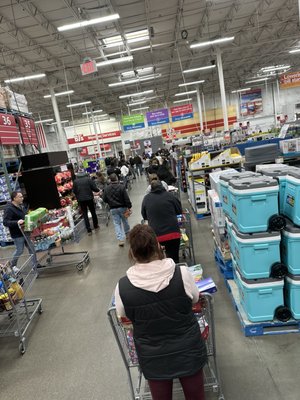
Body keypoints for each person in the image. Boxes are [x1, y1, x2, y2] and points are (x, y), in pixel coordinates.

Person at [115, 224, 207, 400]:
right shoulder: (182, 273)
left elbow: (122, 313)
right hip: (188, 350)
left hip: (153, 356)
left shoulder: (122, 286)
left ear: (133, 254)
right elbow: (195, 298)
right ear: (158, 246)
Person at [141, 180, 182, 263]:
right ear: (163, 187)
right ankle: (174, 270)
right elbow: (179, 210)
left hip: (156, 236)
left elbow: (144, 215)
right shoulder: (170, 196)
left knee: (158, 260)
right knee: (174, 259)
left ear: (151, 188)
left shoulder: (146, 199)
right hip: (173, 233)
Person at [3, 191, 38, 268]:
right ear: (14, 198)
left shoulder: (21, 206)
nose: (22, 198)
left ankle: (35, 265)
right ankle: (12, 266)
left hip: (25, 231)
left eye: (22, 196)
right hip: (17, 234)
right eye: (20, 197)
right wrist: (17, 222)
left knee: (31, 247)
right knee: (19, 250)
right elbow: (5, 222)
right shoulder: (9, 209)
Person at [103, 173, 132, 247]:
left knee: (117, 224)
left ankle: (120, 239)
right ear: (116, 178)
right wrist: (129, 206)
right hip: (123, 207)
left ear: (110, 179)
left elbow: (104, 199)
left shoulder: (106, 188)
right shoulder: (121, 187)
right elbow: (126, 198)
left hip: (113, 209)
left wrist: (110, 202)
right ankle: (127, 235)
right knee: (125, 221)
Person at [73, 170, 100, 236]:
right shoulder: (88, 179)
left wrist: (78, 196)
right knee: (93, 212)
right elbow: (94, 188)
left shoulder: (75, 181)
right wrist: (98, 190)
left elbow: (74, 191)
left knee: (85, 214)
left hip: (81, 200)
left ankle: (88, 230)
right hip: (89, 198)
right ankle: (95, 226)